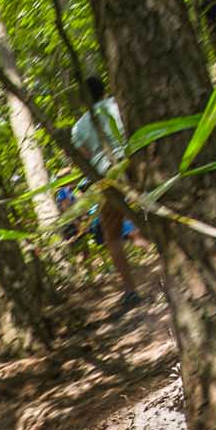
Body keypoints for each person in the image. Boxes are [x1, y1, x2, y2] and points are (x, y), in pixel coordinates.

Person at [69, 75, 143, 310]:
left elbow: (86, 158)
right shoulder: (117, 104)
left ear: (83, 98)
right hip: (134, 163)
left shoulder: (79, 127)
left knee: (112, 235)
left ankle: (131, 290)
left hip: (107, 176)